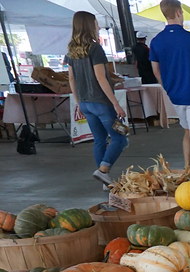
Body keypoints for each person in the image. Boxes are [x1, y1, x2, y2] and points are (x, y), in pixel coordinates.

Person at [65, 10, 127, 187]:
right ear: (88, 25)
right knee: (120, 138)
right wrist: (116, 104)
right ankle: (103, 170)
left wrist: (78, 101)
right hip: (101, 102)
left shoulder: (71, 50)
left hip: (85, 103)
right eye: (95, 23)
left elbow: (71, 78)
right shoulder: (95, 48)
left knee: (100, 140)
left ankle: (104, 180)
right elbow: (101, 78)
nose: (98, 26)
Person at [149, 0, 190, 170]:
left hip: (175, 95)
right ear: (178, 12)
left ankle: (187, 168)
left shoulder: (156, 41)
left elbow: (156, 71)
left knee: (187, 131)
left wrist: (168, 87)